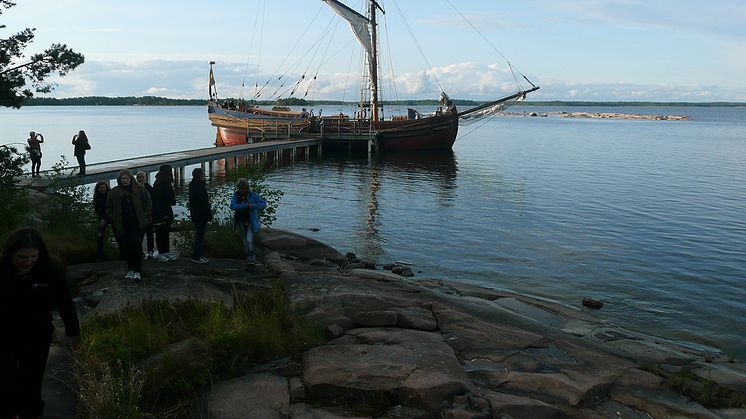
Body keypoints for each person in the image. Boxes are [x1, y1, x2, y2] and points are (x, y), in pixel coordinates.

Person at [0, 228, 80, 417]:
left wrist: (72, 330)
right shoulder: (2, 272)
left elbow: (65, 302)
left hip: (38, 335)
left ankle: (32, 413)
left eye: (33, 256)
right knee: (5, 382)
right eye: (22, 257)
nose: (28, 262)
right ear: (11, 254)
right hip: (4, 335)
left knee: (32, 381)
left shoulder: (50, 269)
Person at [107, 169, 152, 282]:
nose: (125, 180)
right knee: (127, 248)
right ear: (119, 180)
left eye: (127, 178)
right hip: (122, 225)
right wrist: (113, 218)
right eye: (123, 178)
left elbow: (148, 201)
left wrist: (145, 214)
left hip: (138, 224)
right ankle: (130, 269)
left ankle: (137, 271)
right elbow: (109, 207)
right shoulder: (114, 192)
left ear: (131, 179)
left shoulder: (140, 189)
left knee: (136, 246)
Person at [230, 178, 267, 269]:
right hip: (241, 222)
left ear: (247, 188)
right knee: (245, 242)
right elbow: (232, 206)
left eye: (243, 188)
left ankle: (252, 258)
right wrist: (246, 205)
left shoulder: (253, 195)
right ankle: (248, 258)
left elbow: (263, 203)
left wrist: (253, 206)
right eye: (240, 188)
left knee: (249, 240)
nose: (242, 190)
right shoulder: (236, 196)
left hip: (250, 221)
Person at [151, 164, 178, 262]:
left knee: (161, 232)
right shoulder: (166, 184)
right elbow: (172, 201)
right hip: (165, 211)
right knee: (164, 232)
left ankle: (163, 252)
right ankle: (164, 252)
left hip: (158, 212)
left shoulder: (157, 183)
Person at [188, 168, 213, 263]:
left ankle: (199, 255)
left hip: (195, 214)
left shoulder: (192, 185)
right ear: (200, 175)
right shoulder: (200, 186)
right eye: (203, 174)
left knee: (199, 234)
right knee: (200, 235)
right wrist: (208, 214)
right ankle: (197, 256)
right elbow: (204, 202)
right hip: (201, 214)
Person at [135, 171, 156, 259]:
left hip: (148, 214)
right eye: (139, 177)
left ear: (145, 178)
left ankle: (150, 250)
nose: (141, 179)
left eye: (142, 177)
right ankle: (140, 252)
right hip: (139, 215)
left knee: (150, 233)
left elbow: (153, 199)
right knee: (139, 235)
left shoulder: (148, 187)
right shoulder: (134, 188)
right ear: (137, 178)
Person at [93, 181, 112, 260]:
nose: (102, 189)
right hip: (103, 218)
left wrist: (106, 218)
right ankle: (100, 255)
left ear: (106, 188)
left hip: (112, 216)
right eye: (100, 188)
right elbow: (96, 208)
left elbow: (112, 207)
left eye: (104, 187)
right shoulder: (96, 196)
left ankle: (123, 253)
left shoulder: (110, 195)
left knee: (119, 235)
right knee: (100, 236)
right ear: (97, 189)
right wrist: (102, 218)